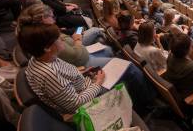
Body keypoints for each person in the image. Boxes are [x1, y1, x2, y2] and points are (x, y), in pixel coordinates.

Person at [18, 21, 155, 115]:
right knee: (130, 69)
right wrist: (97, 83)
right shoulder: (49, 75)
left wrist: (86, 72)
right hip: (88, 100)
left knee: (125, 67)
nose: (63, 40)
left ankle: (142, 100)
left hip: (86, 83)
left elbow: (67, 77)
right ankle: (147, 105)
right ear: (47, 48)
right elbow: (75, 105)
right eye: (58, 39)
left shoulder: (41, 58)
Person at [17, 4, 113, 68]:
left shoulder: (43, 30)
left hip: (73, 41)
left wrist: (72, 36)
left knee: (101, 41)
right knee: (125, 64)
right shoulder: (48, 37)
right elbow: (75, 56)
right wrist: (78, 40)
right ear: (43, 18)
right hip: (82, 59)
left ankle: (111, 36)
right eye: (52, 17)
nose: (54, 20)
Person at [163, 33, 193, 99]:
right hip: (189, 96)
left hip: (176, 87)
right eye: (191, 46)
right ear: (187, 49)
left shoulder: (170, 55)